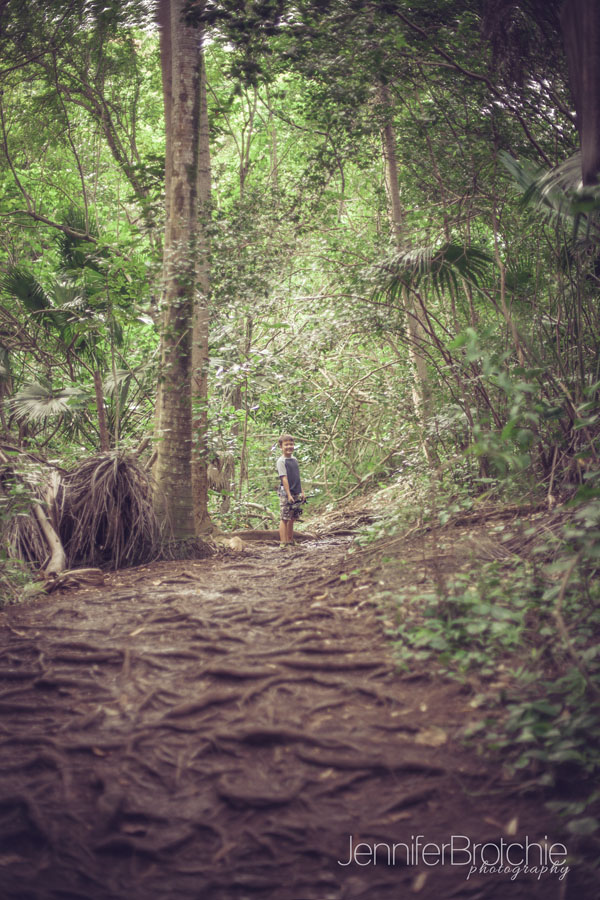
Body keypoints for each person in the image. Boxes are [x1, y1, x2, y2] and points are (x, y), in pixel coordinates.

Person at [276, 434, 305, 548]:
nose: (289, 447)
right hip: (286, 493)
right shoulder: (281, 461)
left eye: (291, 444)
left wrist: (302, 492)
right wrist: (288, 495)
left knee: (292, 517)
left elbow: (297, 477)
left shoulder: (294, 459)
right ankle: (283, 542)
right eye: (286, 444)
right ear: (281, 446)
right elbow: (284, 478)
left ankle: (290, 540)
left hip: (296, 491)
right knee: (285, 518)